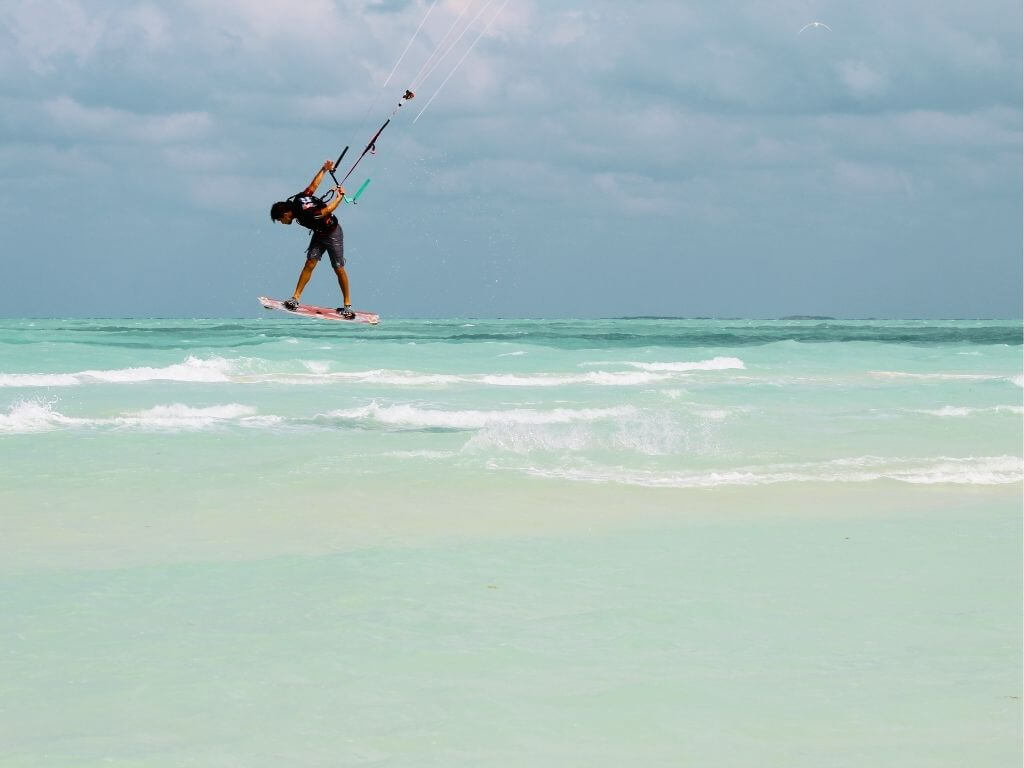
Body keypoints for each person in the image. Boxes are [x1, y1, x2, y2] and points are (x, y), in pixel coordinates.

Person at [269, 160, 354, 319]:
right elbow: (313, 186)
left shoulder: (305, 213)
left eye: (281, 220)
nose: (283, 223)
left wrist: (340, 197)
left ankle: (347, 306)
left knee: (338, 268)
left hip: (332, 233)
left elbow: (327, 210)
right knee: (310, 263)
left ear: (286, 214)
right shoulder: (299, 199)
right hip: (319, 233)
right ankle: (295, 299)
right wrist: (324, 169)